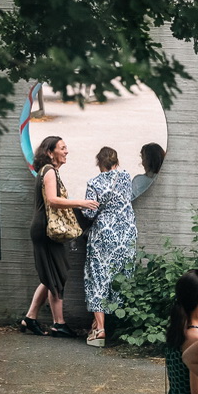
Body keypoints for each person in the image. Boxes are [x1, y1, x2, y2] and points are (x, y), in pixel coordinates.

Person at [20, 136, 98, 338]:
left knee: (51, 274)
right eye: (62, 148)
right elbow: (53, 200)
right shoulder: (49, 171)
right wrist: (81, 203)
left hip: (44, 229)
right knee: (57, 274)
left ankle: (31, 318)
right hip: (46, 230)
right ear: (50, 152)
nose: (66, 151)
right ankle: (58, 324)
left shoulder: (47, 171)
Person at [82, 147, 138, 347]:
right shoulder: (126, 177)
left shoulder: (94, 183)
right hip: (126, 233)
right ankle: (122, 326)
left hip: (104, 235)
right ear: (117, 162)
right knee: (122, 276)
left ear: (99, 163)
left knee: (98, 277)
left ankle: (100, 329)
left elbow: (89, 213)